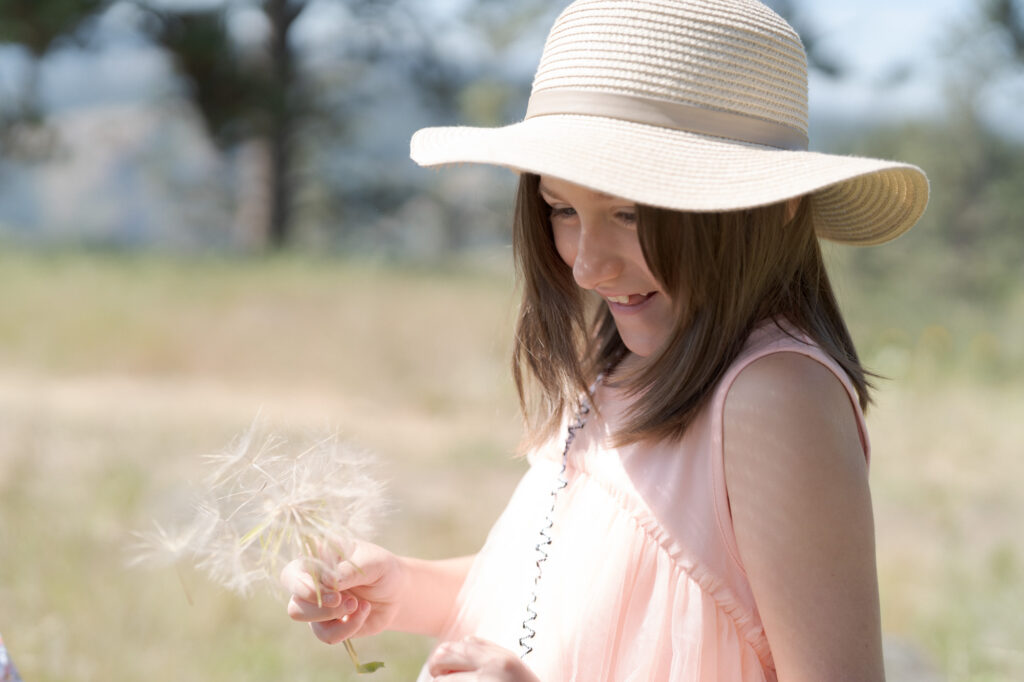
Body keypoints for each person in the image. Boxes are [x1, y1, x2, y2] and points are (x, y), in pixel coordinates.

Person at [281, 0, 929, 680]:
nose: (588, 265)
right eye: (562, 209)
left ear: (773, 203)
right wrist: (403, 588)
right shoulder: (625, 362)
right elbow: (598, 589)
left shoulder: (775, 397)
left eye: (629, 212)